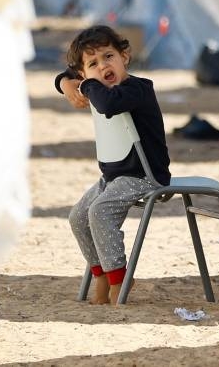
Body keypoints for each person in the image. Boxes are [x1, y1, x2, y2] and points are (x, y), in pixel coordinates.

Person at [55, 25, 171, 305]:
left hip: (145, 175)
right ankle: (102, 275)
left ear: (125, 57)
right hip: (113, 176)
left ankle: (119, 281)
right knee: (78, 216)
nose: (103, 66)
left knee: (100, 211)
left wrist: (86, 82)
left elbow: (108, 104)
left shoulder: (137, 90)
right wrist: (65, 82)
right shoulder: (96, 87)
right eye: (93, 63)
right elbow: (67, 76)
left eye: (109, 57)